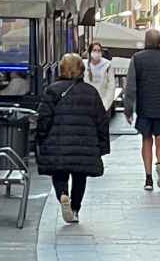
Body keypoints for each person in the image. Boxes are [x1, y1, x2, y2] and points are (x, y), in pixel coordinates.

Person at [35, 52, 110, 226]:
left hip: (58, 143)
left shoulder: (52, 90)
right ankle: (75, 209)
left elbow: (44, 118)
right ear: (82, 70)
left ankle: (62, 194)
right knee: (79, 176)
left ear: (61, 69)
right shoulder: (91, 92)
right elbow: (101, 121)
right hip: (84, 146)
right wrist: (102, 146)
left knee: (59, 172)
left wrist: (40, 137)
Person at [123, 28, 160, 191]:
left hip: (144, 107)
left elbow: (131, 86)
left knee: (146, 140)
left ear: (146, 41)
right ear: (159, 41)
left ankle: (148, 178)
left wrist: (128, 109)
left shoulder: (137, 59)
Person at [83, 41, 115, 111]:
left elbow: (111, 86)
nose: (97, 53)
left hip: (103, 101)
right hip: (87, 102)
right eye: (94, 50)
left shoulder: (107, 65)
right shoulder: (83, 64)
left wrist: (106, 104)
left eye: (99, 50)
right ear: (90, 52)